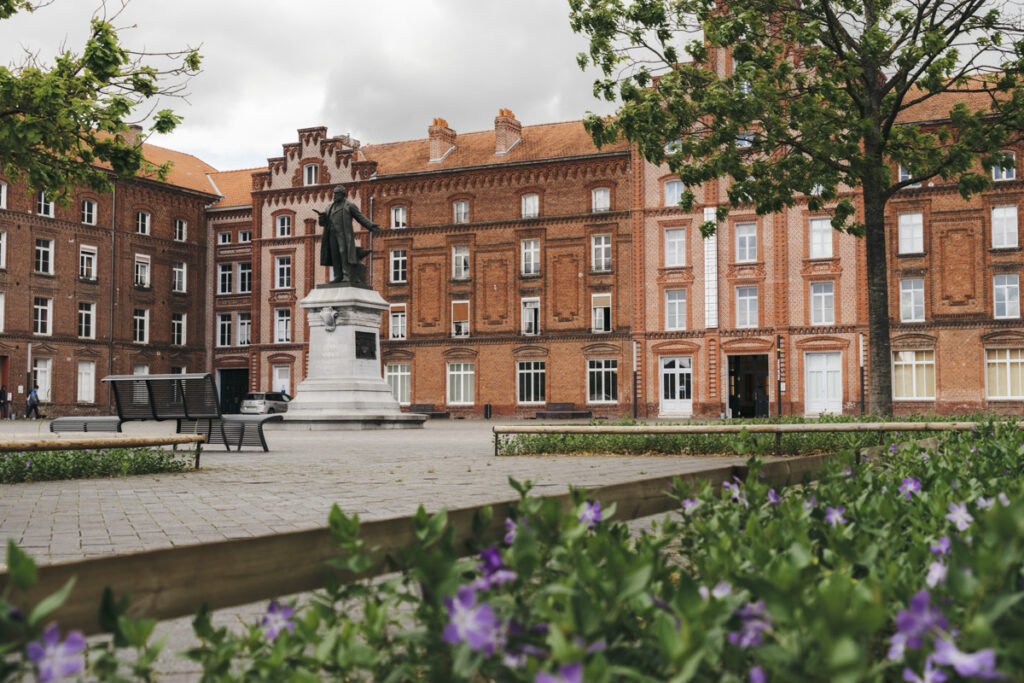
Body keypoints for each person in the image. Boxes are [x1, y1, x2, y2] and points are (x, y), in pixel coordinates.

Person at [318, 185, 381, 287]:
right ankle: (338, 275)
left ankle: (346, 275)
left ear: (343, 195)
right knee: (335, 255)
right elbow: (323, 223)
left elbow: (360, 217)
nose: (334, 196)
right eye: (334, 193)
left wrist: (370, 225)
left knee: (343, 252)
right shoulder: (329, 207)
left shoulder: (349, 206)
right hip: (331, 234)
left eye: (336, 194)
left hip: (343, 234)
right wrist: (321, 218)